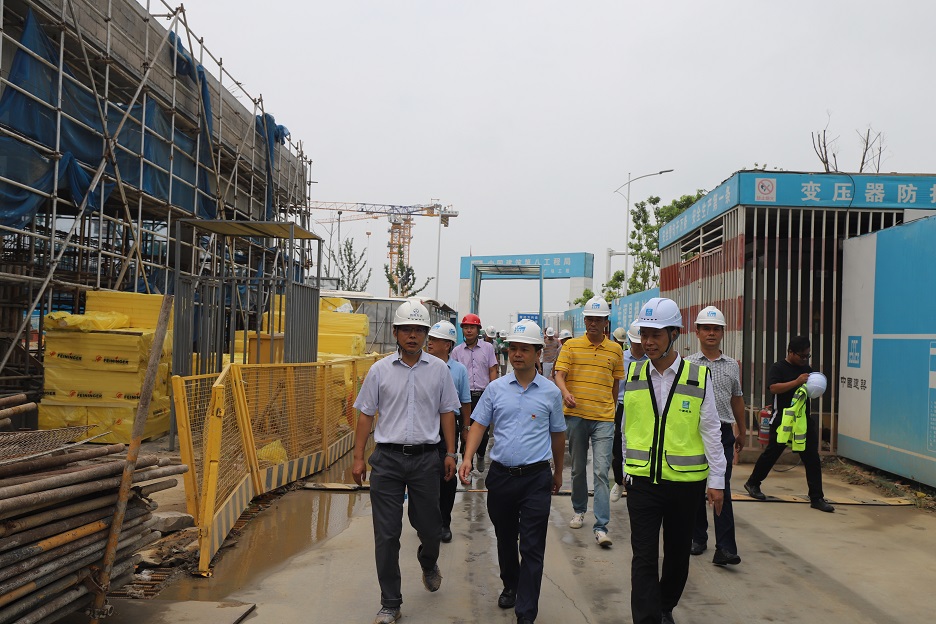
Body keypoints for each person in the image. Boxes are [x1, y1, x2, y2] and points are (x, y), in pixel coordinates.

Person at [351, 300, 461, 624]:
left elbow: (447, 413)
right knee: (386, 534)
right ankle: (390, 602)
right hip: (387, 461)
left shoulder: (439, 370)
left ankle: (428, 561)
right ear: (395, 333)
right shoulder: (379, 371)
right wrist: (358, 458)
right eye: (407, 330)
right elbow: (365, 415)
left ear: (426, 335)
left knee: (430, 528)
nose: (413, 335)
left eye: (419, 330)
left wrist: (450, 453)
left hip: (426, 460)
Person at [621, 297, 726, 624]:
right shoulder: (634, 373)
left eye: (656, 335)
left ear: (674, 334)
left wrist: (717, 481)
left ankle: (665, 605)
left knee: (678, 556)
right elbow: (627, 426)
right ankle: (648, 618)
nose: (648, 342)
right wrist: (625, 468)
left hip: (685, 484)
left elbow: (711, 430)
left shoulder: (698, 376)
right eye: (644, 334)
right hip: (642, 483)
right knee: (643, 558)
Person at [458, 320, 566, 624]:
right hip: (502, 477)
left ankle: (526, 613)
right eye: (513, 349)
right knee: (505, 538)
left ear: (537, 353)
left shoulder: (550, 393)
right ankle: (510, 583)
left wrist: (558, 472)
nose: (517, 354)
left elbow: (558, 435)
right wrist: (467, 457)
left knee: (532, 546)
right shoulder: (495, 389)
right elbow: (479, 425)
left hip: (536, 478)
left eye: (524, 349)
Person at [554, 296, 624, 547]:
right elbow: (559, 375)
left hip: (603, 418)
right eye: (589, 319)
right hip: (576, 416)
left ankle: (601, 526)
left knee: (601, 471)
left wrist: (611, 410)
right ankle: (579, 509)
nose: (593, 323)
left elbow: (615, 383)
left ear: (606, 322)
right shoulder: (571, 346)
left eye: (598, 319)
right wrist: (565, 393)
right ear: (584, 321)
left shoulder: (615, 350)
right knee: (578, 468)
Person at [743, 336, 834, 512]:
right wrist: (796, 382)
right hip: (782, 420)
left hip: (802, 421)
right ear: (790, 352)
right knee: (772, 453)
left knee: (812, 458)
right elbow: (773, 388)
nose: (805, 359)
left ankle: (817, 497)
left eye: (807, 356)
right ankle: (753, 483)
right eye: (802, 356)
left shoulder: (806, 369)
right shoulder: (778, 368)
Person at [686, 306, 747, 566]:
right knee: (696, 487)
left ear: (723, 333)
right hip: (694, 433)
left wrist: (741, 430)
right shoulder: (688, 365)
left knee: (722, 487)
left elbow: (737, 399)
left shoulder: (732, 365)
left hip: (722, 433)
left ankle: (725, 548)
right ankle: (698, 537)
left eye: (716, 329)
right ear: (697, 332)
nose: (711, 333)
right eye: (706, 329)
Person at [425, 320, 473, 543]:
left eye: (435, 340)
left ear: (447, 345)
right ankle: (427, 521)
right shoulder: (421, 366)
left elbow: (465, 402)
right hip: (425, 424)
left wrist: (466, 428)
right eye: (430, 339)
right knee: (424, 474)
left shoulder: (459, 370)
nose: (430, 343)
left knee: (447, 474)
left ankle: (444, 522)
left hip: (448, 427)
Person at [451, 313, 499, 471]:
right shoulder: (457, 351)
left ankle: (480, 454)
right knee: (465, 430)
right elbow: (454, 374)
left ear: (478, 329)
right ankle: (468, 464)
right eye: (466, 327)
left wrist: (492, 391)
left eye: (472, 327)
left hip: (483, 395)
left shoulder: (488, 348)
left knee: (483, 432)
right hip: (464, 398)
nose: (469, 330)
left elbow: (492, 369)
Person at [609, 320, 647, 503]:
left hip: (645, 407)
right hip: (623, 406)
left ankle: (639, 482)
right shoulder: (620, 358)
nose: (639, 345)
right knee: (618, 446)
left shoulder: (652, 360)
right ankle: (619, 481)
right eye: (636, 342)